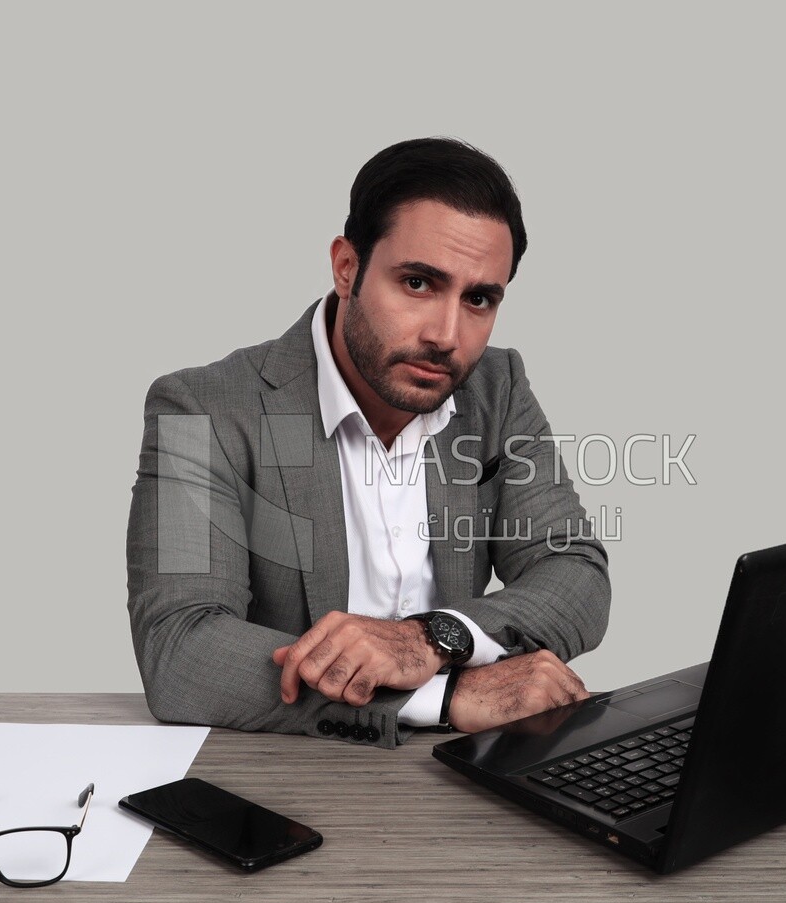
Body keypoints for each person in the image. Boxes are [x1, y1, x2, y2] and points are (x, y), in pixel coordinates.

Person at [126, 137, 611, 747]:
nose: (446, 334)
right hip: (280, 774)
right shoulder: (204, 409)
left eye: (479, 299)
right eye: (417, 283)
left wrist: (433, 637)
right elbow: (182, 649)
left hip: (463, 775)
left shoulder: (498, 388)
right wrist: (444, 696)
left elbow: (574, 571)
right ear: (347, 268)